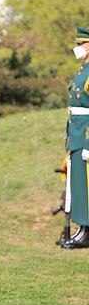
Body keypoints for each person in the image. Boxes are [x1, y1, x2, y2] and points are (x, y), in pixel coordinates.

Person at [61, 26, 89, 248]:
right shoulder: (83, 70)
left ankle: (86, 230)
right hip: (77, 133)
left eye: (81, 44)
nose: (78, 48)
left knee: (85, 184)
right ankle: (82, 228)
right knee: (78, 183)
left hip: (86, 134)